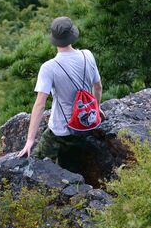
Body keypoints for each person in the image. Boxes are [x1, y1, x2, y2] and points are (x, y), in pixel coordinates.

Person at [16, 16, 104, 162]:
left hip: (62, 132)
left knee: (34, 163)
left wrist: (30, 140)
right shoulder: (88, 55)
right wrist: (96, 108)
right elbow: (98, 87)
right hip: (87, 126)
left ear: (54, 39)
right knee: (74, 166)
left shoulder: (49, 67)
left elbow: (40, 104)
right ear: (72, 36)